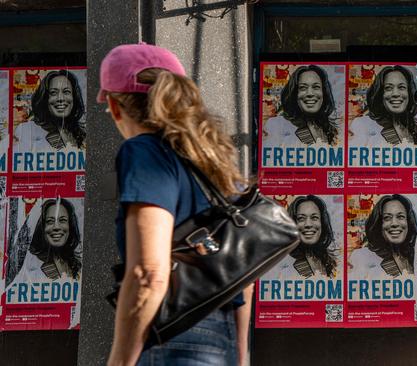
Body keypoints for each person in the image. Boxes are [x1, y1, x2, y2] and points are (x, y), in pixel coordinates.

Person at [98, 43, 251, 366]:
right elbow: (242, 276)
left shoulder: (144, 153)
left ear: (115, 106)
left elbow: (148, 273)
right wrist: (238, 354)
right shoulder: (215, 159)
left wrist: (119, 362)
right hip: (220, 340)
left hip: (171, 340)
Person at [8, 198, 82, 284]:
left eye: (62, 220)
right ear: (42, 228)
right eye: (50, 221)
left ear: (70, 226)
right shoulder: (34, 269)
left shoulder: (76, 263)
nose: (56, 227)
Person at [263, 65, 339, 146]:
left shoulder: (329, 129)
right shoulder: (278, 125)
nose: (310, 93)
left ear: (324, 93)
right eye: (303, 88)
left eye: (316, 87)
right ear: (294, 94)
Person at [348, 66, 417, 147]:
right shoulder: (362, 125)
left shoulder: (416, 127)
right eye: (388, 88)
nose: (395, 94)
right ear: (380, 94)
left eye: (401, 87)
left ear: (409, 93)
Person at [14, 70, 86, 152]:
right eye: (53, 93)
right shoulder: (28, 129)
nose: (60, 98)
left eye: (66, 92)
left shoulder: (82, 132)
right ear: (45, 99)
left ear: (74, 97)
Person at [349, 194, 417, 277]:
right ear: (379, 224)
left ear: (409, 222)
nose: (394, 223)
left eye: (400, 216)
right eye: (387, 218)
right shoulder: (363, 257)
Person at [287, 195, 337, 278]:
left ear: (322, 223)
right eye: (301, 218)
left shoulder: (327, 259)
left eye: (314, 217)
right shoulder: (287, 264)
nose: (308, 224)